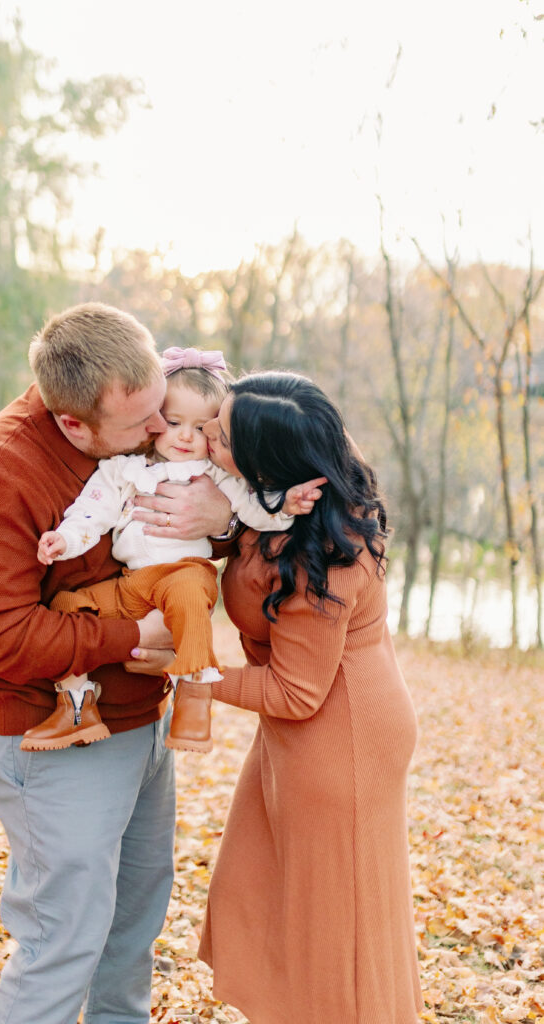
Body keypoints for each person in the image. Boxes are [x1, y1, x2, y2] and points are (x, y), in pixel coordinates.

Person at [0, 303, 237, 1024]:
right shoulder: (2, 472)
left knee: (127, 941)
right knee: (61, 949)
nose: (160, 433)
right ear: (73, 423)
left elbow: (185, 542)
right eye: (142, 423)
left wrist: (217, 521)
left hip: (142, 727)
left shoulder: (137, 437)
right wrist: (136, 634)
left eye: (160, 412)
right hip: (54, 743)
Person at [198, 372, 424, 1024]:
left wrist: (194, 678)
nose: (205, 436)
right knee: (259, 884)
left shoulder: (322, 549)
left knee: (334, 932)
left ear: (264, 459)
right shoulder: (275, 500)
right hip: (307, 725)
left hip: (338, 739)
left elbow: (295, 692)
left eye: (219, 432)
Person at [22, 347, 306, 755]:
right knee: (68, 604)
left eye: (201, 427)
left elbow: (253, 508)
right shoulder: (125, 468)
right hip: (132, 585)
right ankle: (77, 704)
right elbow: (93, 510)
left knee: (190, 595)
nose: (186, 436)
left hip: (183, 573)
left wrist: (284, 507)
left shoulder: (215, 475)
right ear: (155, 418)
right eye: (174, 423)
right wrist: (65, 538)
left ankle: (194, 693)